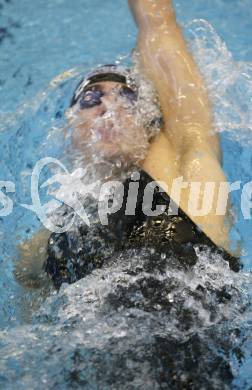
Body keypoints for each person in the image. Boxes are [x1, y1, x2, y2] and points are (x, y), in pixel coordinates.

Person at [14, 0, 240, 290]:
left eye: (127, 98)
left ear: (148, 122)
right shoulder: (46, 241)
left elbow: (158, 23)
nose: (109, 107)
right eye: (91, 99)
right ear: (69, 134)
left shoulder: (185, 166)